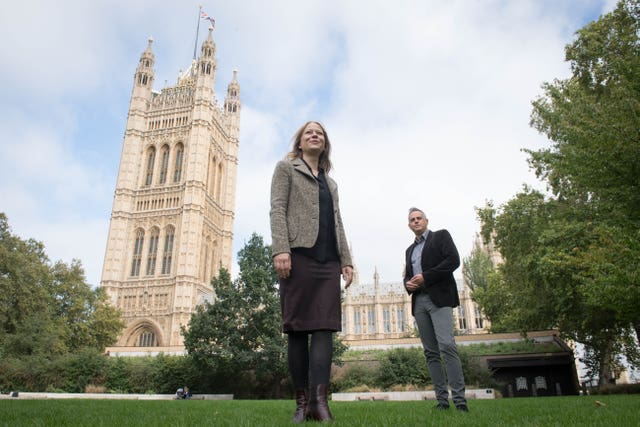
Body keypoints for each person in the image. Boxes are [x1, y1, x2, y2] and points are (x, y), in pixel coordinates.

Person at [270, 121, 354, 423]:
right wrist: (281, 248)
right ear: (300, 142)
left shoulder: (331, 184)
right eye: (309, 132)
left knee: (324, 330)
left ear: (325, 143)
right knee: (296, 329)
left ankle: (320, 403)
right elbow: (277, 208)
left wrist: (347, 259)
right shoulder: (286, 168)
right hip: (298, 256)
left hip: (327, 261)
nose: (314, 134)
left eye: (319, 132)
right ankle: (302, 403)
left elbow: (338, 222)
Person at [403, 207, 468, 412]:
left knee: (447, 346)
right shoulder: (409, 250)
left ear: (426, 220)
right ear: (409, 225)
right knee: (430, 353)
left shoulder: (441, 236)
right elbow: (409, 275)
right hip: (419, 301)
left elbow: (453, 261)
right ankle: (442, 401)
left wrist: (426, 277)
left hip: (439, 298)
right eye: (412, 219)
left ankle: (460, 401)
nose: (416, 221)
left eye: (419, 218)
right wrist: (408, 284)